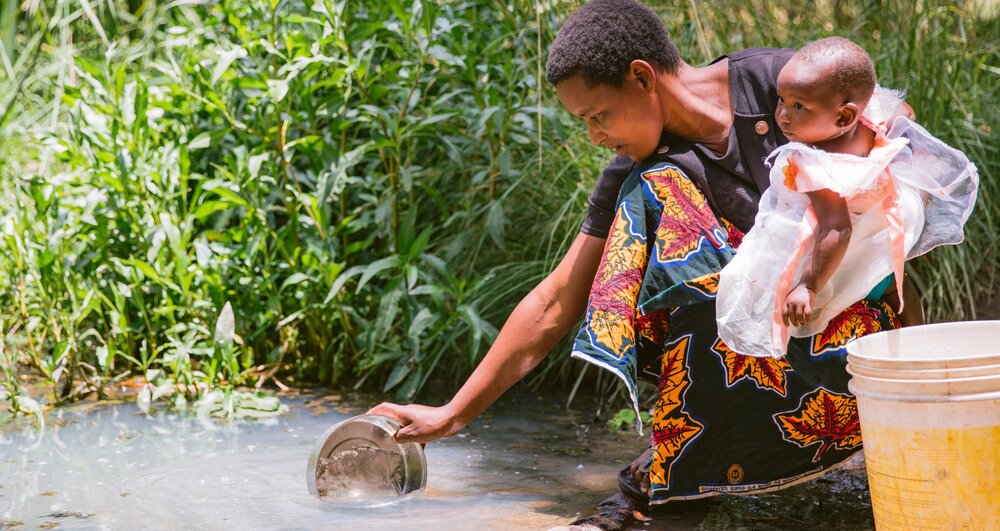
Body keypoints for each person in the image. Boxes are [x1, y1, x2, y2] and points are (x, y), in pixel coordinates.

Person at [370, 0, 920, 524]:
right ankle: (677, 463)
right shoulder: (637, 173)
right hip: (759, 351)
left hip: (858, 338)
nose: (595, 136)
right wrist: (453, 414)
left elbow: (898, 127)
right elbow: (558, 297)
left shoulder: (780, 86)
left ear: (641, 76)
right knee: (652, 188)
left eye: (599, 115)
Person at [716, 37, 978, 359]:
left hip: (849, 231)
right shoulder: (871, 116)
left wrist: (809, 285)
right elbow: (904, 111)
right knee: (897, 282)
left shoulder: (812, 163)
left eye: (799, 107)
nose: (782, 115)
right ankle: (918, 346)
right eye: (781, 99)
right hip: (888, 215)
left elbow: (836, 229)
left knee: (769, 273)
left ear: (843, 117)